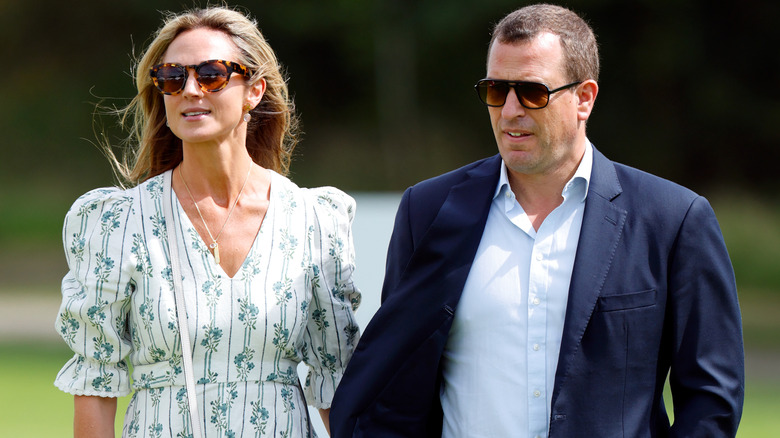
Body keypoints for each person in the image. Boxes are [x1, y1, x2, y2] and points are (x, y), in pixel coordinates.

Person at [330, 3, 744, 437]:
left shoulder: (673, 219)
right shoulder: (427, 210)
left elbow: (711, 400)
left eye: (531, 92)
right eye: (495, 90)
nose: (509, 111)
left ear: (584, 98)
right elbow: (396, 383)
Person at [54, 6, 360, 437]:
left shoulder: (314, 220)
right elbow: (95, 380)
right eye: (173, 77)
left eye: (212, 74)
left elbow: (336, 381)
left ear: (254, 90)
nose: (190, 89)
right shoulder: (116, 223)